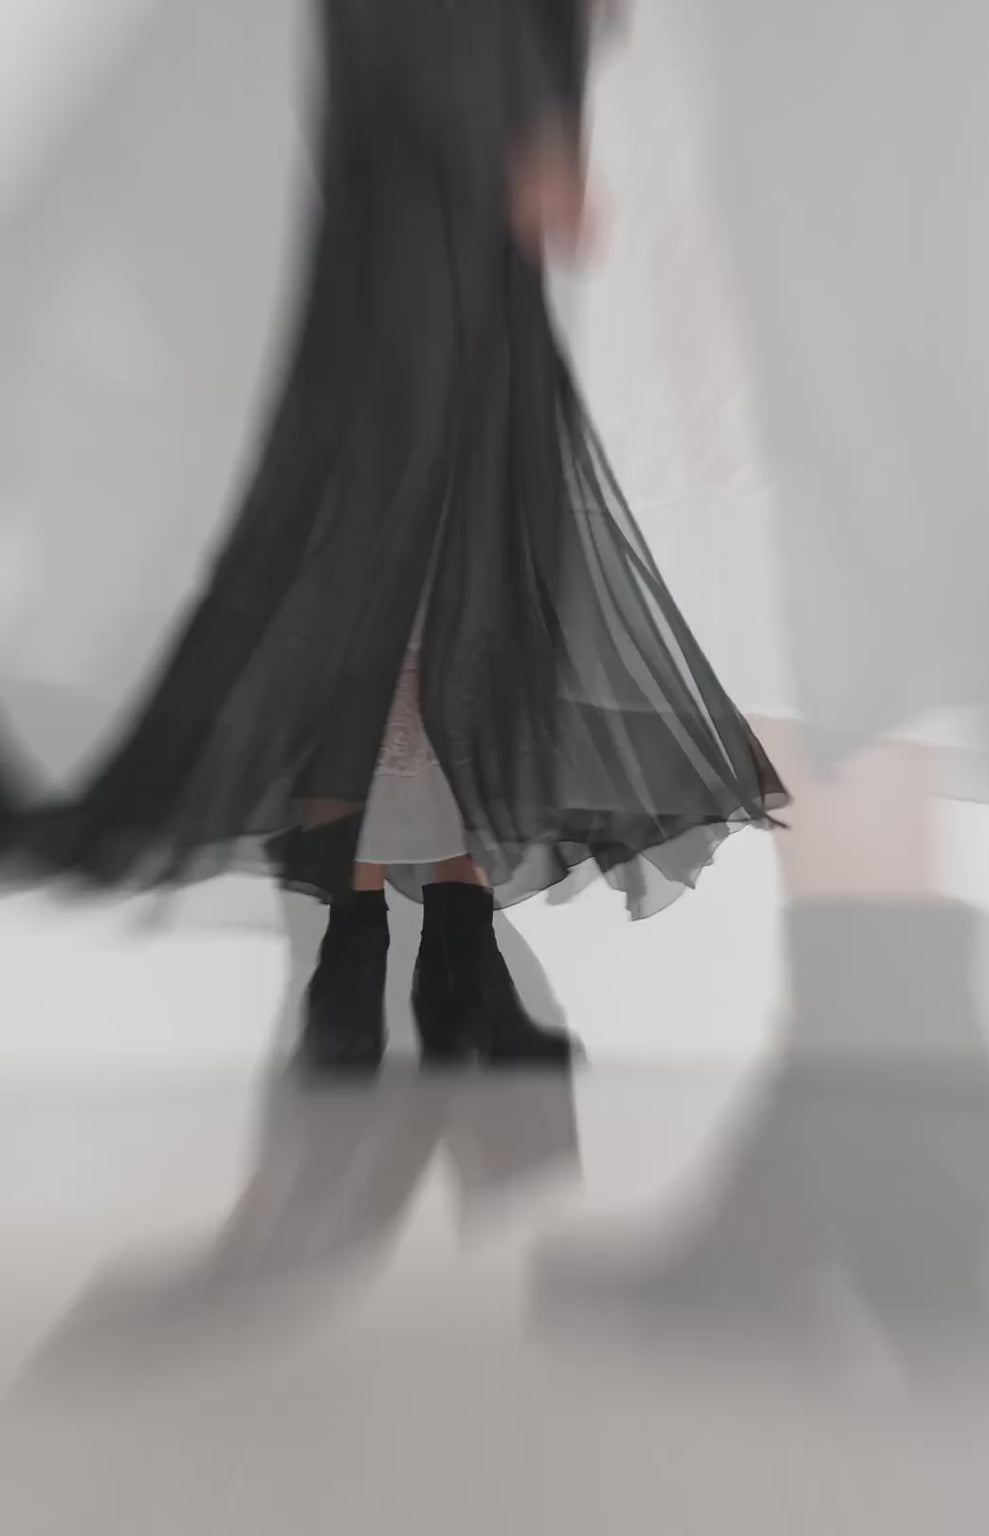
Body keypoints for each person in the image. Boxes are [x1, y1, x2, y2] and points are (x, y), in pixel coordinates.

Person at [2, 0, 787, 1074]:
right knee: (391, 527)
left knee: (465, 531)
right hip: (418, 153)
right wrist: (529, 117)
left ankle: (436, 940)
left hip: (463, 174)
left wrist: (544, 107)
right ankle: (368, 941)